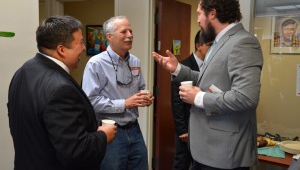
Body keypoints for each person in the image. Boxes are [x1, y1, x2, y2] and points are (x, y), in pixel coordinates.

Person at [153, 0, 263, 170]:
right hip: (206, 150)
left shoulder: (243, 42)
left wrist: (198, 98)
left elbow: (246, 97)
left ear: (212, 13)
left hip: (224, 154)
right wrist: (178, 69)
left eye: (199, 14)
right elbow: (209, 80)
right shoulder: (220, 42)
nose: (197, 20)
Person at [7, 15, 117, 170]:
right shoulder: (61, 89)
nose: (84, 48)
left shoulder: (23, 71)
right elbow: (75, 153)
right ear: (61, 50)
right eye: (80, 43)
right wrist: (103, 136)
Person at [82, 16, 154, 170]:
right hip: (111, 132)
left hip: (134, 129)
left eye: (131, 31)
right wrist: (125, 103)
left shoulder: (135, 61)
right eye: (124, 31)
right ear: (109, 36)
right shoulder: (96, 64)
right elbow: (90, 101)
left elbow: (141, 86)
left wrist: (145, 96)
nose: (130, 35)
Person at [171, 30, 213, 170]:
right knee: (182, 163)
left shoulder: (212, 66)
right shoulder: (183, 67)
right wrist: (182, 130)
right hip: (187, 128)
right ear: (198, 45)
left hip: (205, 126)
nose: (213, 49)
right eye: (210, 45)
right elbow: (177, 101)